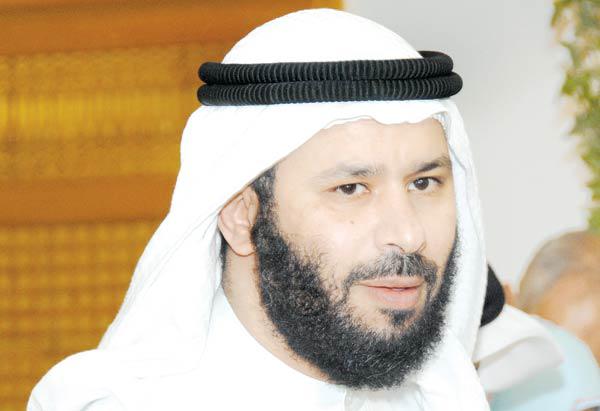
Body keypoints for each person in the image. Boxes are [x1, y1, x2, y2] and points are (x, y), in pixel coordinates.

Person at [28, 9, 562, 410]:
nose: (408, 234)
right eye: (351, 189)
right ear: (241, 215)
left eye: (424, 183)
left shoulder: (448, 393)